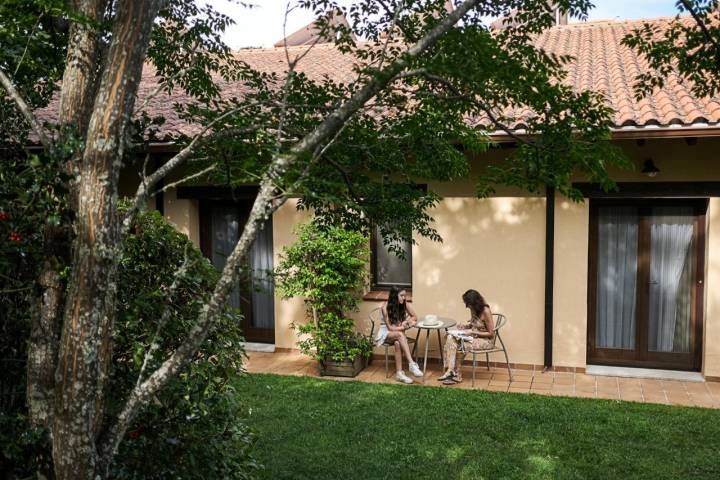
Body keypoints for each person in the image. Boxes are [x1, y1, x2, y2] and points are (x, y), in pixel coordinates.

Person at [439, 289, 495, 385]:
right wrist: (465, 327)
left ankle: (455, 374)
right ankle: (450, 371)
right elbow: (474, 325)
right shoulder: (474, 309)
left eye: (468, 303)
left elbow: (491, 333)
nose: (467, 306)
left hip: (485, 341)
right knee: (450, 337)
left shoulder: (486, 311)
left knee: (459, 345)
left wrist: (472, 332)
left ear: (474, 302)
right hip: (473, 338)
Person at [374, 286, 423, 383]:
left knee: (397, 343)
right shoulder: (385, 307)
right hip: (386, 333)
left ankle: (399, 374)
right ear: (394, 296)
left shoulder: (404, 303)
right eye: (401, 295)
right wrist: (405, 326)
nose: (404, 298)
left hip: (397, 333)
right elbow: (390, 328)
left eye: (405, 295)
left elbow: (414, 317)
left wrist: (406, 322)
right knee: (400, 335)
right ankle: (412, 364)